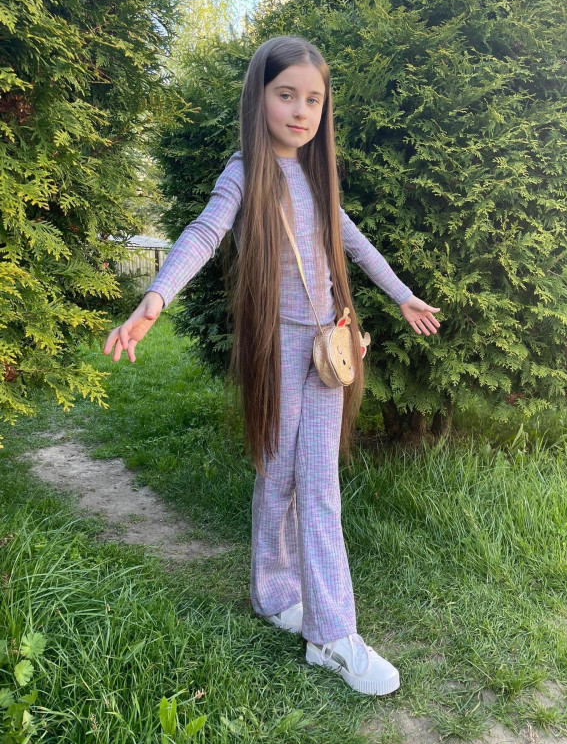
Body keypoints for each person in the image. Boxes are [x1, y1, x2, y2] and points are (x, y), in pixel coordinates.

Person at [103, 35, 441, 696]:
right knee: (277, 475)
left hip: (327, 352)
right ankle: (274, 592)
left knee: (318, 488)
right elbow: (204, 231)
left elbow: (352, 240)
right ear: (259, 97)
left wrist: (401, 295)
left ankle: (332, 633)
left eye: (313, 99)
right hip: (277, 351)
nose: (300, 111)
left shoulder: (316, 174)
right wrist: (156, 296)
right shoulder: (245, 173)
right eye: (286, 95)